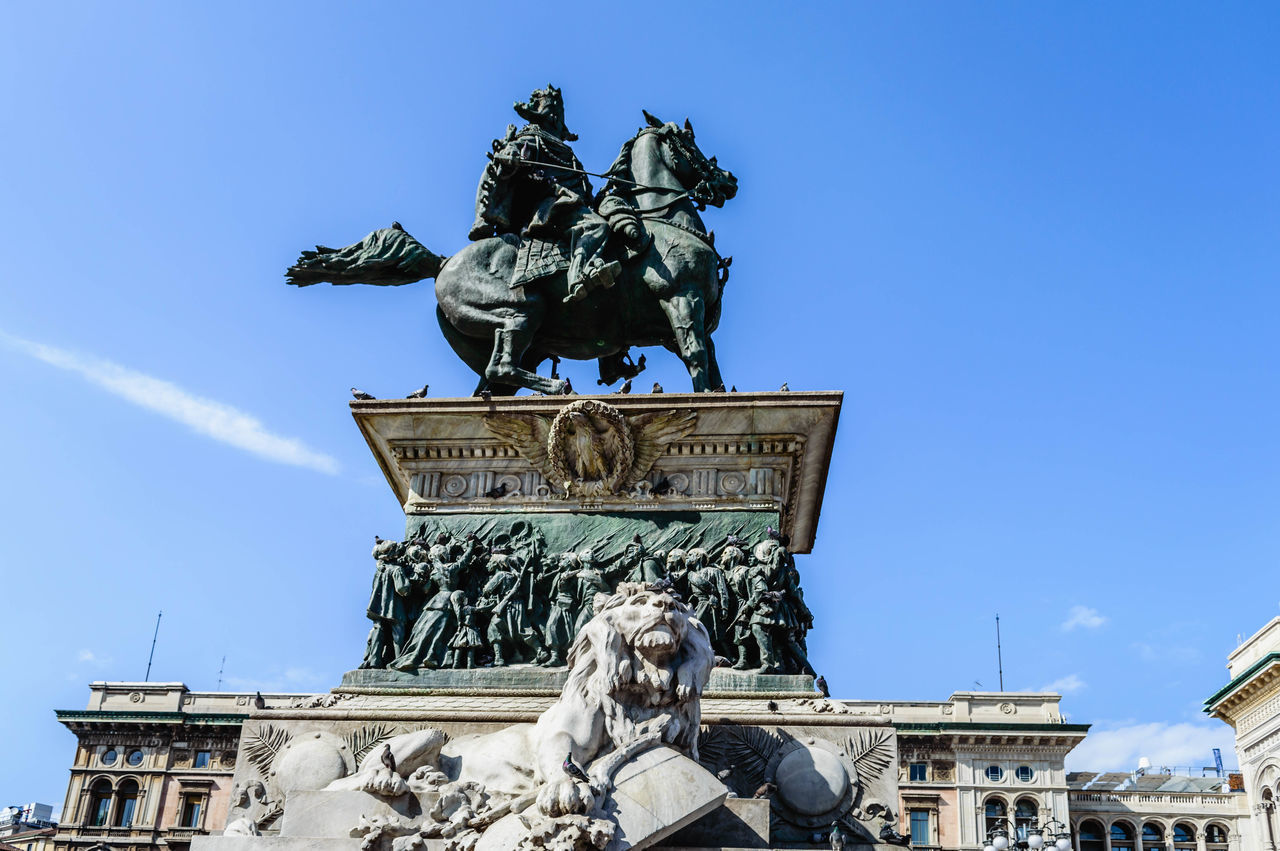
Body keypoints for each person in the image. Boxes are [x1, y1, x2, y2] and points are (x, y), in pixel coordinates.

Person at [468, 85, 622, 303]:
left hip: (574, 206)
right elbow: (508, 161)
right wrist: (510, 154)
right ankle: (578, 275)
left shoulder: (565, 151)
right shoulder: (533, 138)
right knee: (597, 226)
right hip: (551, 206)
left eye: (559, 115)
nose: (558, 119)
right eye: (554, 115)